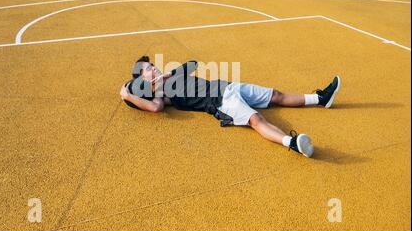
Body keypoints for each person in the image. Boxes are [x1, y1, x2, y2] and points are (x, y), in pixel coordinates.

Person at [120, 56, 341, 158]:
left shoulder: (171, 76)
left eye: (152, 65)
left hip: (229, 87)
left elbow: (194, 64)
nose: (154, 68)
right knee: (256, 120)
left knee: (276, 95)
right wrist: (128, 95)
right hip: (221, 102)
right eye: (148, 69)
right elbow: (155, 108)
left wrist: (172, 72)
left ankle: (320, 99)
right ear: (143, 79)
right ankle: (292, 143)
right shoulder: (161, 94)